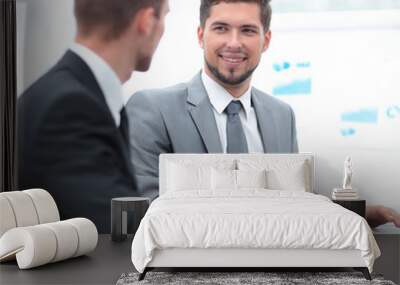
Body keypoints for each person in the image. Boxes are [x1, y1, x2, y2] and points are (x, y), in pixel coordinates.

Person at [126, 0, 400, 228]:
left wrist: (352, 216)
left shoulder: (281, 115)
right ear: (201, 35)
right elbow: (147, 212)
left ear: (265, 40)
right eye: (221, 28)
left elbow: (292, 201)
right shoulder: (153, 109)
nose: (234, 43)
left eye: (247, 30)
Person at [17, 0, 169, 233]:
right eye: (164, 17)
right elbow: (119, 230)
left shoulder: (74, 93)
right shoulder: (69, 107)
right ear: (146, 22)